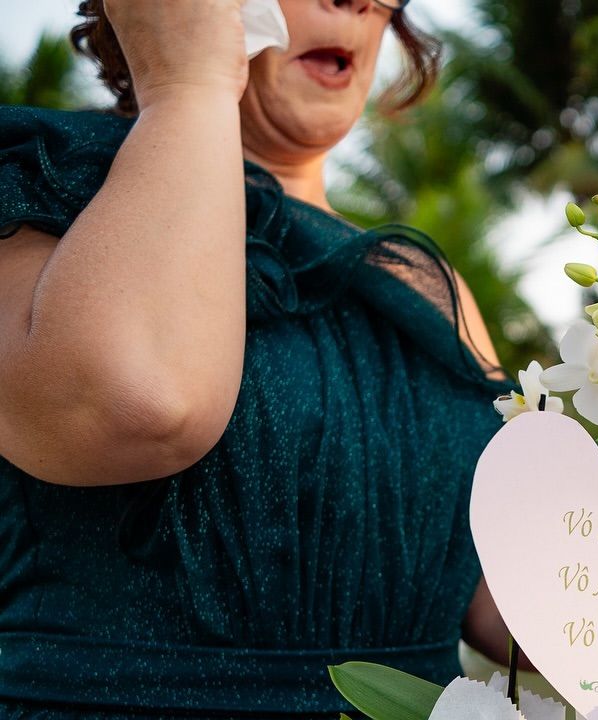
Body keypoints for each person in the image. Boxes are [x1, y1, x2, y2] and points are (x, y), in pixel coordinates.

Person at [0, 1, 513, 717]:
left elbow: (489, 593)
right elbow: (133, 404)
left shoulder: (428, 284)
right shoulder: (39, 184)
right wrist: (187, 90)